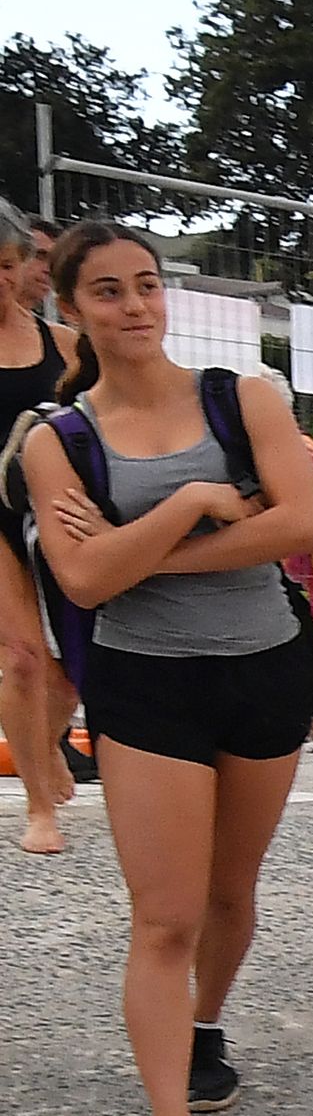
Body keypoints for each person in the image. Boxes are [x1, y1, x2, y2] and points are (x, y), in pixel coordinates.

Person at [19, 222, 313, 1116]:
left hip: (263, 668)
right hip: (146, 684)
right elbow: (79, 577)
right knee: (164, 916)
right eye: (108, 292)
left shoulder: (242, 396)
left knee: (230, 897)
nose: (135, 307)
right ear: (70, 309)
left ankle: (206, 1026)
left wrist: (141, 550)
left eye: (147, 286)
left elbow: (301, 521)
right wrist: (198, 499)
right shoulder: (52, 439)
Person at [2, 200, 82, 851]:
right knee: (24, 658)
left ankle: (47, 740)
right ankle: (37, 807)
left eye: (8, 265)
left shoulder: (63, 347)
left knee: (71, 668)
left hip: (50, 511)